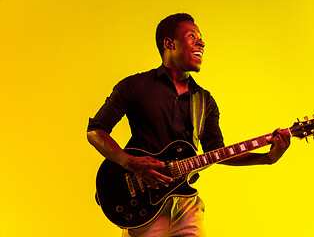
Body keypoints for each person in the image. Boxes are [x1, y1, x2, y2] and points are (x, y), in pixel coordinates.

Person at [87, 13, 290, 237]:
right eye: (192, 36)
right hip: (142, 207)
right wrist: (129, 162)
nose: (201, 42)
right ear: (169, 43)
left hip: (187, 207)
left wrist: (267, 158)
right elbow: (96, 132)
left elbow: (217, 152)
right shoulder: (135, 86)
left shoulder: (204, 101)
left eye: (201, 37)